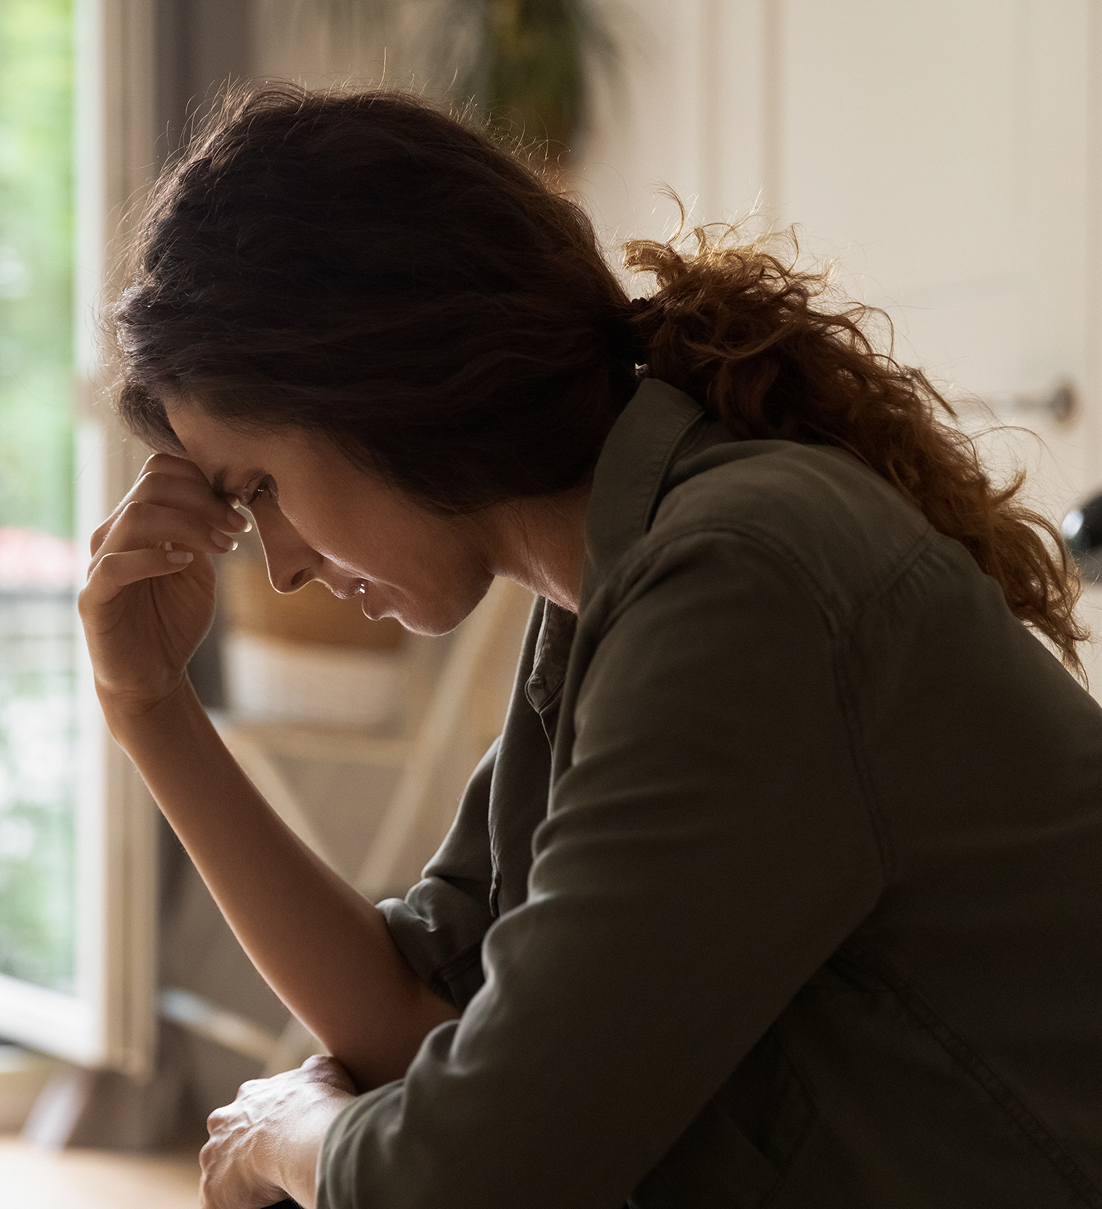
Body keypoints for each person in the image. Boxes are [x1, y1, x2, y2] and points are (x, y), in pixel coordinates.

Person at [79, 84, 1102, 1209]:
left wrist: (290, 1133)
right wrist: (151, 707)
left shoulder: (739, 579)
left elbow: (475, 1176)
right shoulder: (602, 601)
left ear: (376, 381)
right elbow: (419, 1023)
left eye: (262, 487)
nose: (278, 567)